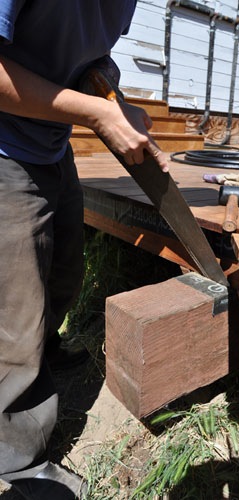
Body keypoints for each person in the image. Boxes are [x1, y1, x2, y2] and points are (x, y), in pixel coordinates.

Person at [0, 1, 168, 499]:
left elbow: (85, 56)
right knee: (14, 312)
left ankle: (41, 349)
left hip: (52, 144)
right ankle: (18, 462)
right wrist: (98, 113)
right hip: (5, 147)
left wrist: (108, 95)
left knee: (64, 273)